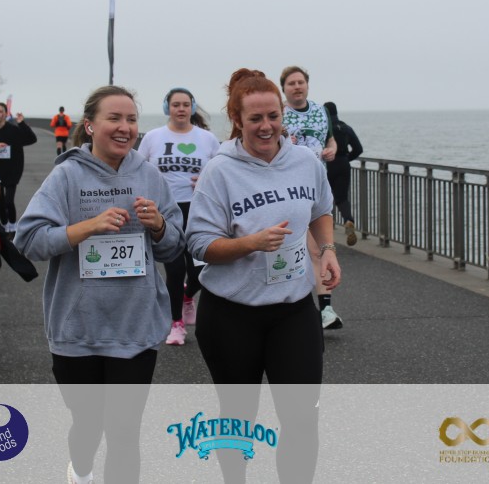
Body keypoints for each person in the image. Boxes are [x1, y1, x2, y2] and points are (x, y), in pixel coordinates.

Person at [15, 85, 184, 484]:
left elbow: (175, 246)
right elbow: (28, 240)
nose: (125, 127)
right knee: (88, 425)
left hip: (135, 327)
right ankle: (81, 471)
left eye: (132, 119)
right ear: (90, 125)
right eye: (114, 118)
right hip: (78, 330)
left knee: (124, 432)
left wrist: (159, 226)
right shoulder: (67, 176)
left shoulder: (149, 175)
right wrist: (85, 228)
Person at [187, 68, 340, 484]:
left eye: (273, 115)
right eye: (255, 118)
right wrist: (249, 243)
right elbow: (198, 244)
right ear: (237, 120)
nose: (266, 126)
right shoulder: (220, 171)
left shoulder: (305, 161)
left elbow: (321, 209)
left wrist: (327, 250)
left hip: (293, 310)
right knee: (238, 418)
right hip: (231, 313)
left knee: (302, 418)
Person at [137, 87, 219, 346]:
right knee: (174, 269)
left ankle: (187, 296)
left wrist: (205, 180)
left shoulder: (207, 139)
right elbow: (137, 168)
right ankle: (176, 324)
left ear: (192, 108)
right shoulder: (153, 137)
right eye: (176, 104)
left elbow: (221, 172)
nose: (181, 109)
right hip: (166, 212)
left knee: (199, 270)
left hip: (198, 210)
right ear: (167, 108)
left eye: (185, 104)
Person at [280, 65, 344, 330]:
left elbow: (331, 140)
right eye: (291, 83)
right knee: (295, 248)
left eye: (301, 82)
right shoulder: (279, 113)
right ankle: (297, 307)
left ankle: (324, 309)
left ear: (307, 85)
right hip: (288, 188)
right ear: (284, 88)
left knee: (316, 248)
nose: (297, 86)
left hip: (316, 187)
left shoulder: (321, 111)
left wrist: (331, 150)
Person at [0, 102, 37, 236]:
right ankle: (5, 227)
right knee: (1, 202)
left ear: (6, 114)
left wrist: (22, 123)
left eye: (1, 112)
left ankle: (13, 227)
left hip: (12, 170)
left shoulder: (13, 130)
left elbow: (32, 139)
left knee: (9, 201)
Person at [323, 101, 363, 247]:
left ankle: (325, 229)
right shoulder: (346, 128)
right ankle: (348, 220)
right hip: (343, 164)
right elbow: (358, 149)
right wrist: (346, 159)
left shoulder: (324, 128)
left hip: (326, 164)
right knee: (342, 198)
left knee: (323, 198)